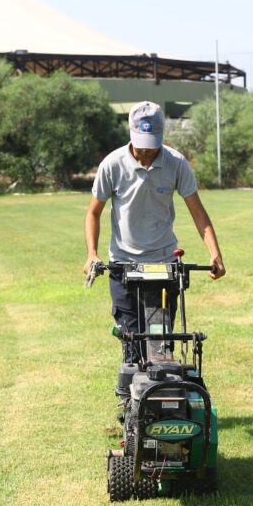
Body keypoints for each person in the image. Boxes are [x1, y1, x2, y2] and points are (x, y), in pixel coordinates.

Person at [83, 101, 226, 352]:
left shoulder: (176, 163)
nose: (146, 153)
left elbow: (198, 213)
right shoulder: (112, 164)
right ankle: (132, 391)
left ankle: (161, 388)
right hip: (123, 265)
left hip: (163, 265)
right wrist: (92, 254)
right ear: (131, 133)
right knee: (132, 342)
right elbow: (93, 213)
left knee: (160, 342)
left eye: (152, 145)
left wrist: (215, 254)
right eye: (141, 145)